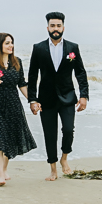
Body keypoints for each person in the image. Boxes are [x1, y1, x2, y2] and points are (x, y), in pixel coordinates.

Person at [27, 11, 89, 181]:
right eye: (52, 25)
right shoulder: (38, 48)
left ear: (63, 27)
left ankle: (64, 158)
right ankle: (53, 169)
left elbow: (81, 73)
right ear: (47, 27)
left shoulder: (72, 48)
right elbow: (32, 76)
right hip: (46, 99)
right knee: (49, 134)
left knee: (68, 130)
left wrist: (84, 95)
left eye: (58, 25)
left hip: (68, 96)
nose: (55, 29)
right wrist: (32, 100)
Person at [0, 32, 37, 186]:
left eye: (12, 43)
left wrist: (32, 100)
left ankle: (4, 169)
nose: (11, 46)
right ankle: (0, 176)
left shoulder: (17, 62)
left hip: (13, 104)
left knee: (10, 137)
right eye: (7, 43)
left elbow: (22, 84)